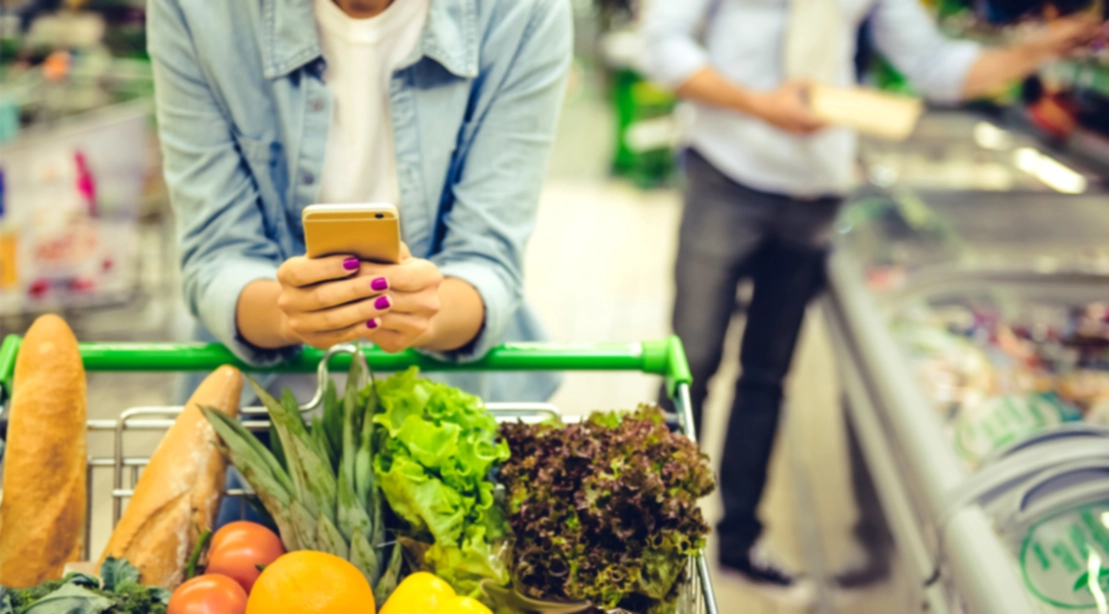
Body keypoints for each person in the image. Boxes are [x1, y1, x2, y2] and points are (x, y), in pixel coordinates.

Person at [641, 0, 1104, 602]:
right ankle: (651, 539)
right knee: (689, 362)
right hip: (725, 171)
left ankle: (739, 544)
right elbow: (663, 44)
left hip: (814, 190)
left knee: (766, 377)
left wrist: (1046, 43)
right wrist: (759, 104)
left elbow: (936, 65)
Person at [149, 0, 572, 404]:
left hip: (449, 405)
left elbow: (488, 258)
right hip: (258, 414)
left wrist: (430, 309)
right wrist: (288, 313)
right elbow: (216, 254)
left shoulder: (522, 12)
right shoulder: (195, 11)